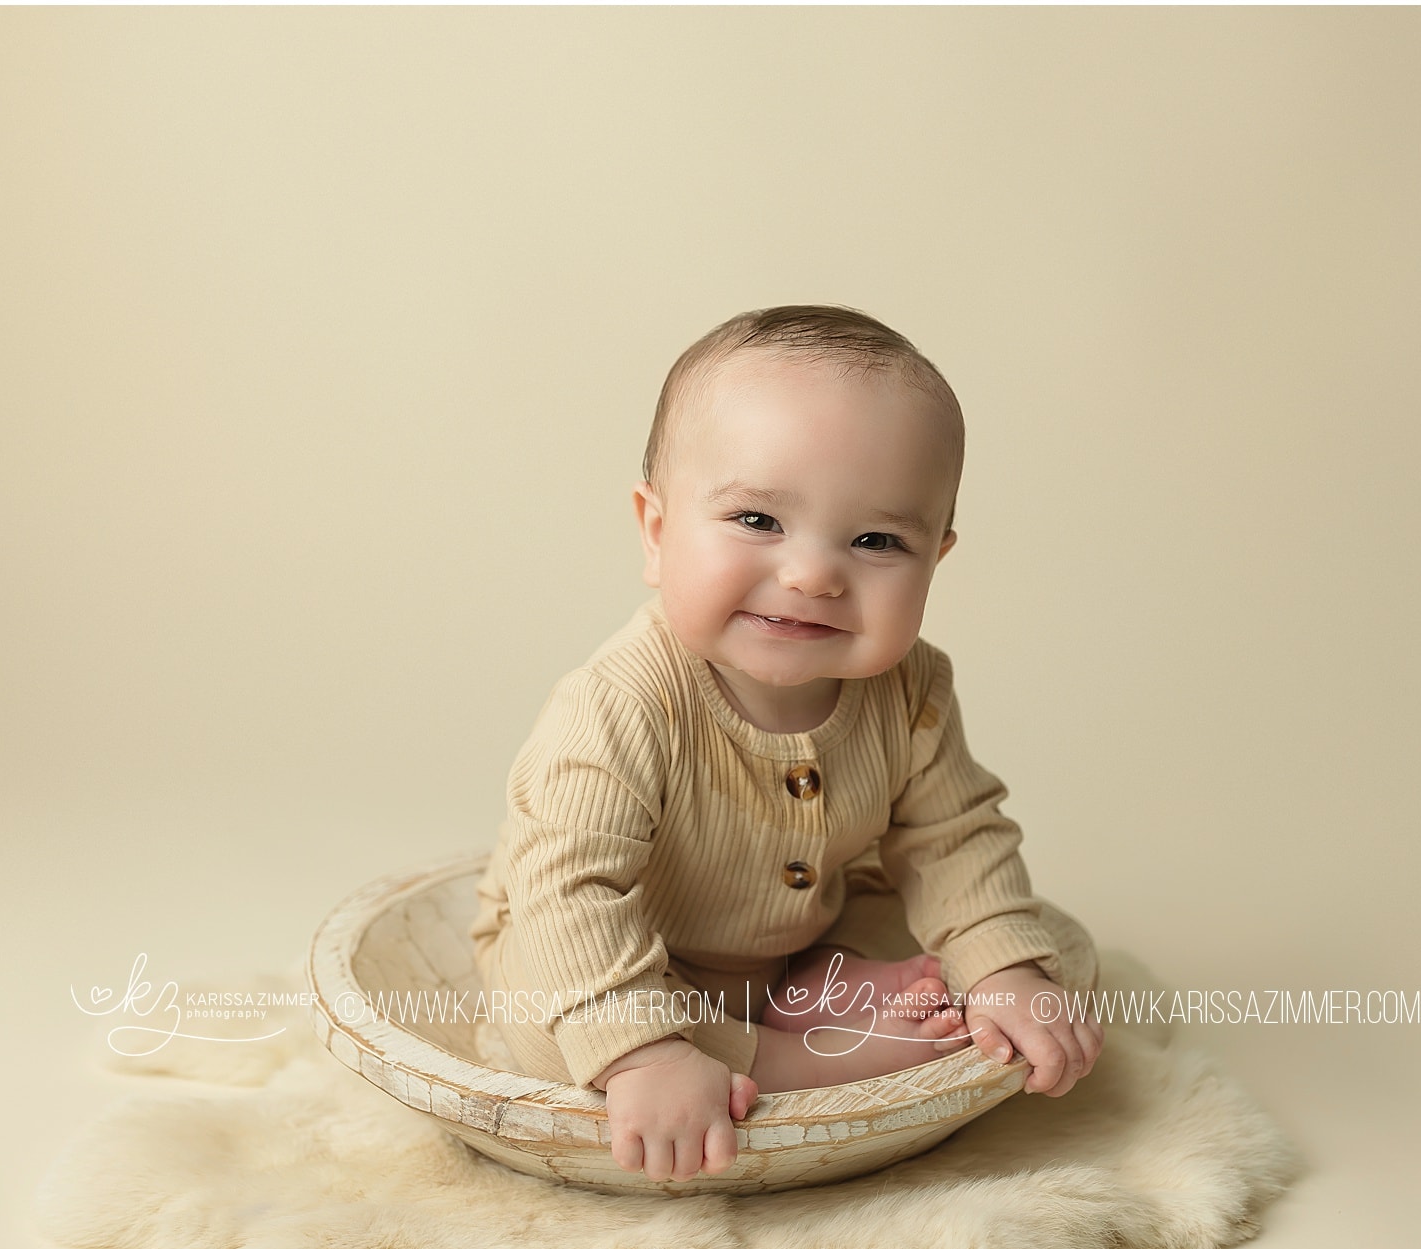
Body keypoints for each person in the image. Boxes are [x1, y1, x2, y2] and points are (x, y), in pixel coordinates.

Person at [470, 304, 1104, 1184]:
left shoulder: (912, 687)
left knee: (927, 915)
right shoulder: (621, 705)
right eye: (758, 521)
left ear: (936, 562)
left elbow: (955, 836)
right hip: (595, 938)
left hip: (783, 934)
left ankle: (811, 987)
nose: (812, 574)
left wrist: (1005, 969)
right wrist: (644, 1054)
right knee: (546, 1024)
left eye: (877, 540)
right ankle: (798, 1058)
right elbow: (568, 893)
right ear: (657, 532)